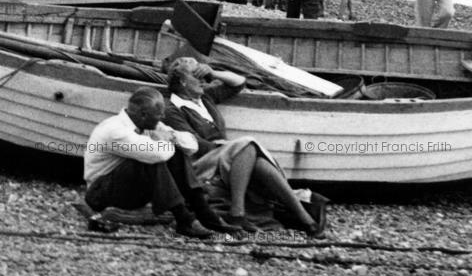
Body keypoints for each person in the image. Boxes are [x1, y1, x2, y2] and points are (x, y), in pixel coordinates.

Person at [163, 58, 326, 237]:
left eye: (203, 77)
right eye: (197, 76)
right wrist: (229, 147)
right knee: (247, 144)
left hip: (225, 154)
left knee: (257, 162)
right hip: (201, 163)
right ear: (183, 82)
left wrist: (212, 72)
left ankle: (305, 220)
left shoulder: (205, 98)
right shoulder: (172, 109)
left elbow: (239, 83)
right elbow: (193, 144)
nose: (203, 81)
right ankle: (238, 213)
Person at [84, 86, 238, 237]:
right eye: (159, 114)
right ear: (144, 114)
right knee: (151, 160)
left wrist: (172, 137)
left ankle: (205, 214)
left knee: (174, 151)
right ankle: (184, 220)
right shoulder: (115, 130)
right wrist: (169, 140)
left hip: (123, 188)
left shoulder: (146, 123)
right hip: (99, 195)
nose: (163, 117)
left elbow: (192, 146)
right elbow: (159, 155)